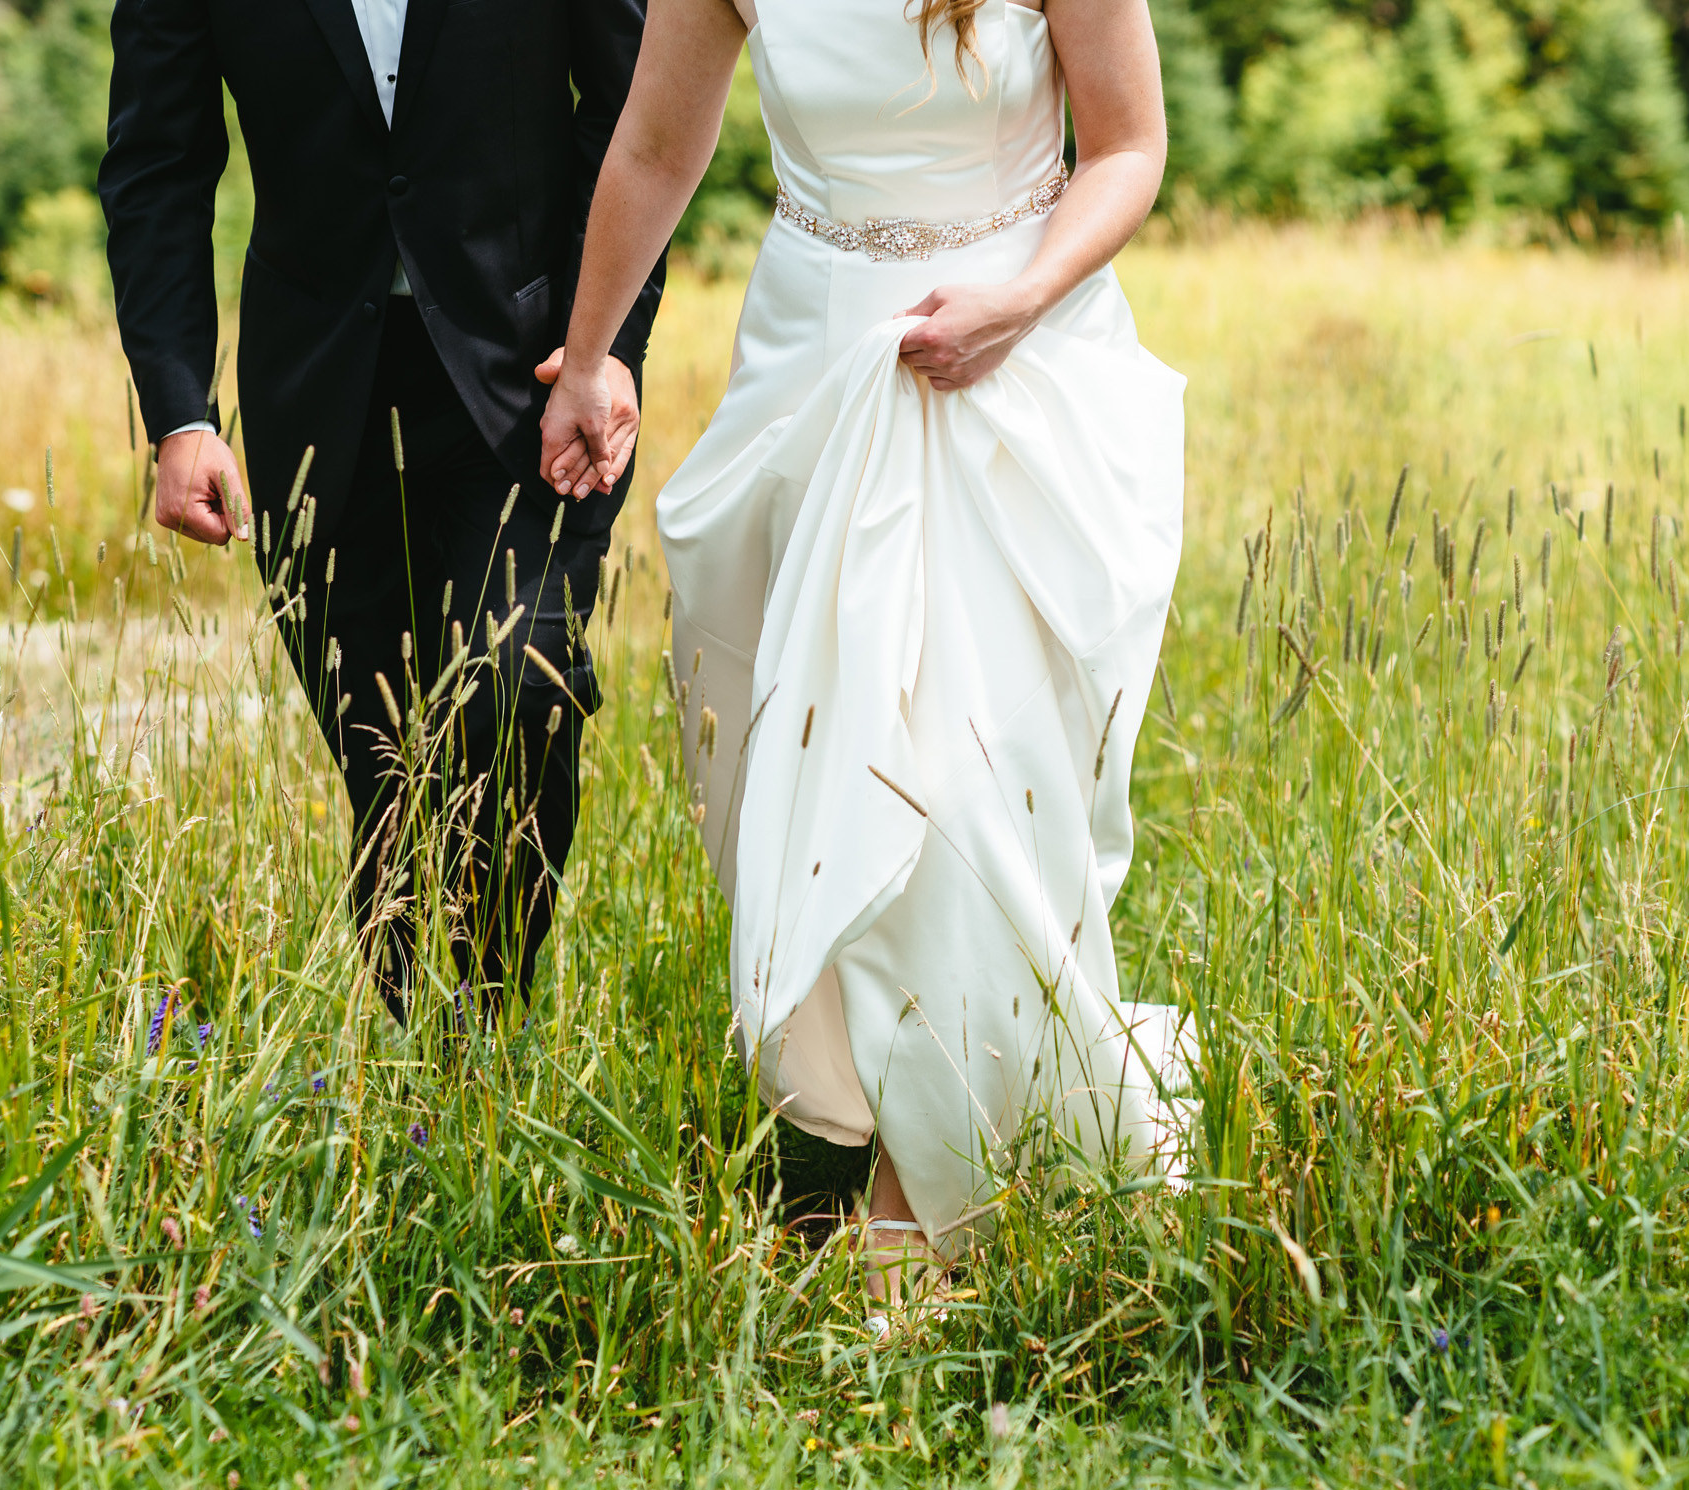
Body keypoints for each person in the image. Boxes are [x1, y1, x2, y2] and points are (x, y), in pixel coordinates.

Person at [540, 0, 1190, 1318]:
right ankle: (915, 1124)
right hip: (816, 360)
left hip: (1011, 361)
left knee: (957, 788)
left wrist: (1018, 296)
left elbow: (1127, 147)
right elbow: (657, 150)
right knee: (818, 775)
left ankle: (923, 1207)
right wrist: (592, 354)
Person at [100, 0, 666, 1023]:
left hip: (536, 380)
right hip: (318, 392)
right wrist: (180, 413)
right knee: (382, 754)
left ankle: (496, 1017)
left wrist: (607, 343)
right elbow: (157, 165)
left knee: (514, 693)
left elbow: (636, 110)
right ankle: (397, 1048)